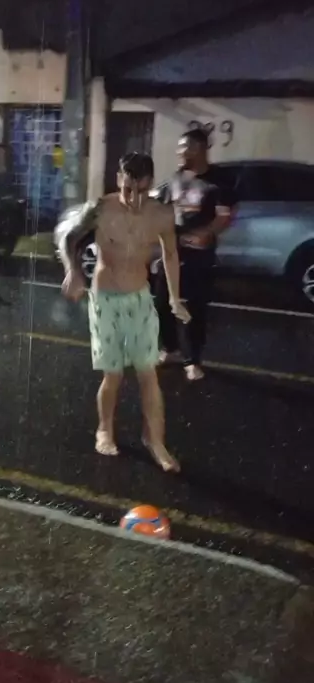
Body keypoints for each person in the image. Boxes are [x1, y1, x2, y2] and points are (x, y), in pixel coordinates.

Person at [56, 152, 190, 473]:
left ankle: (155, 440)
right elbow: (69, 238)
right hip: (106, 300)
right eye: (128, 189)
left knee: (148, 373)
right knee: (113, 374)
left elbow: (171, 255)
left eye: (141, 191)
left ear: (150, 184)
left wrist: (175, 298)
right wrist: (73, 270)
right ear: (119, 180)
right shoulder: (101, 209)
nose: (134, 199)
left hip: (139, 299)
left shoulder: (161, 214)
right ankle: (104, 429)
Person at [154, 128, 237, 381]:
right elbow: (162, 207)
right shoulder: (176, 178)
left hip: (199, 257)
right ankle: (169, 348)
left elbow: (224, 217)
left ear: (200, 149)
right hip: (171, 252)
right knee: (162, 302)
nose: (179, 152)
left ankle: (192, 360)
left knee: (194, 307)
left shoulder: (218, 181)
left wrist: (207, 233)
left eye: (184, 147)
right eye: (180, 147)